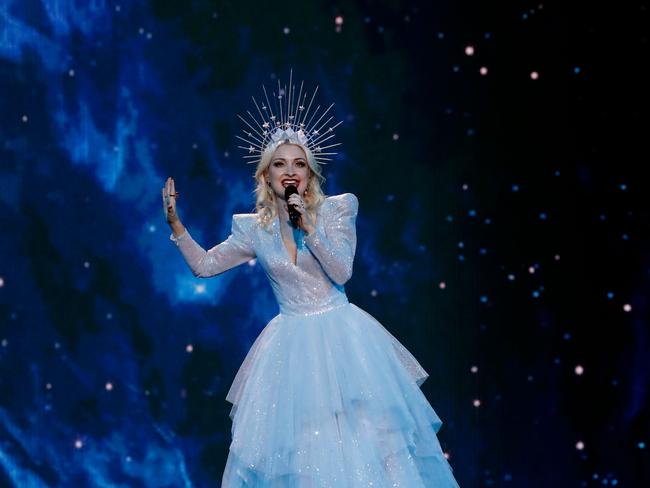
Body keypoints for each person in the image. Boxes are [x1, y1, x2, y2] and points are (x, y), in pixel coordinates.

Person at [162, 74, 460, 487]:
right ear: (266, 176)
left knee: (368, 448)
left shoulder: (337, 211)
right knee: (305, 455)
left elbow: (341, 271)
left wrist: (308, 225)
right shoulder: (254, 229)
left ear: (310, 174)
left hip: (346, 344)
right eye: (280, 164)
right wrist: (176, 225)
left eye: (299, 163)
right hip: (290, 351)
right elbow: (205, 266)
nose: (290, 171)